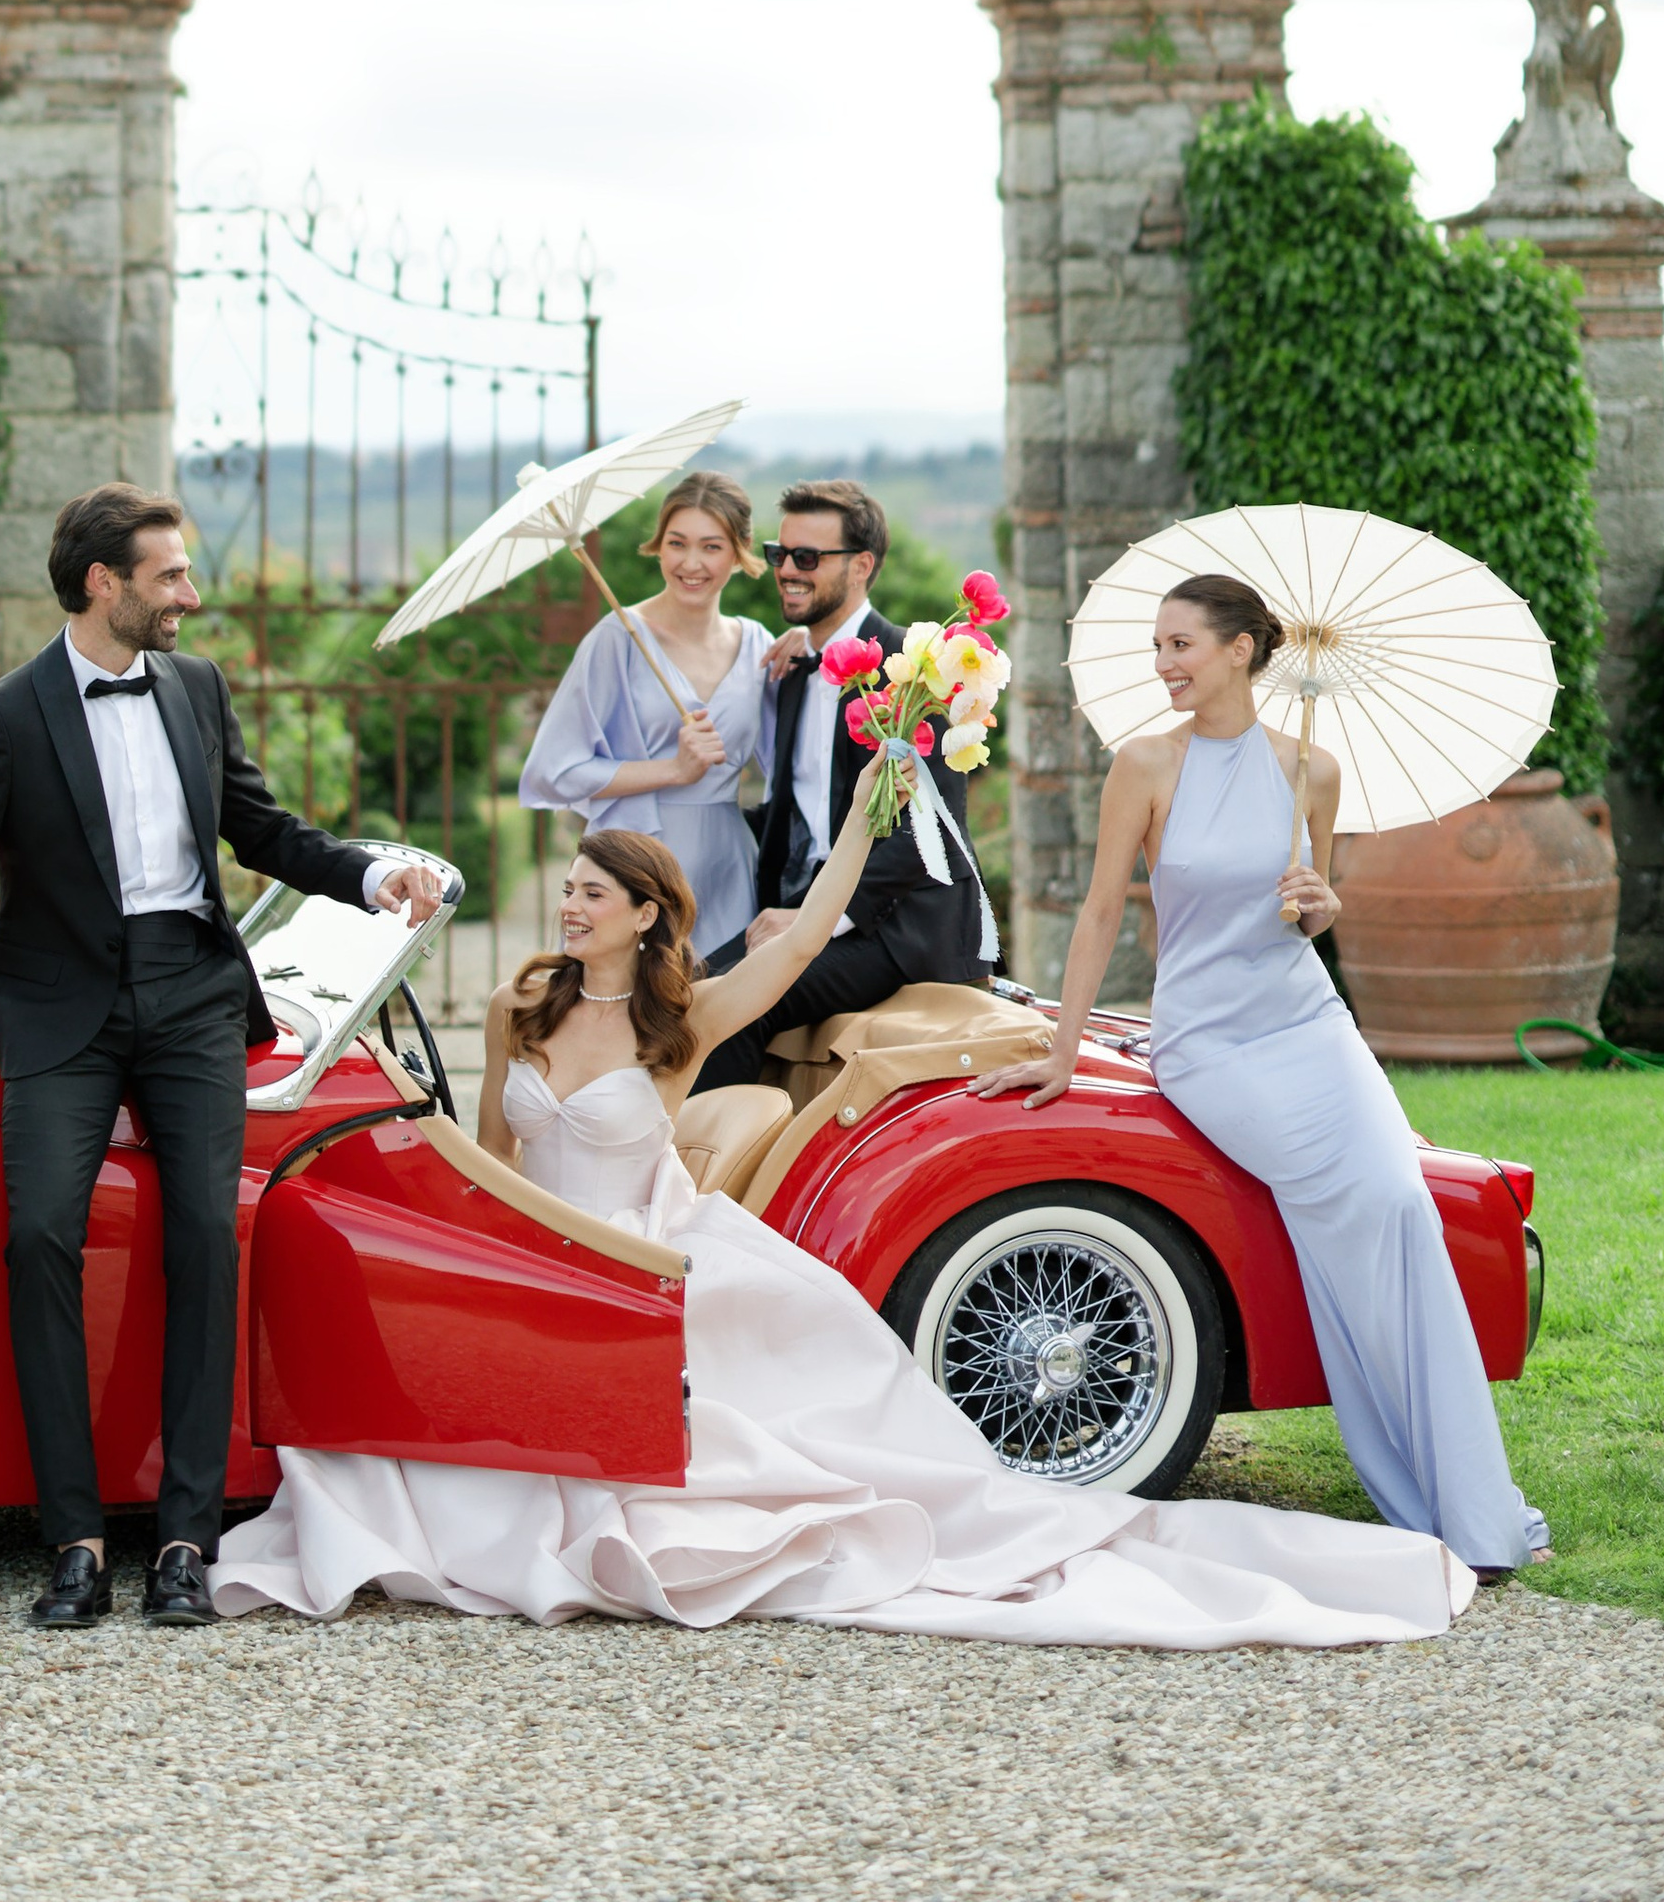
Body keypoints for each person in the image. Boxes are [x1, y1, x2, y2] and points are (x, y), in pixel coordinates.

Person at [211, 788, 1473, 1640]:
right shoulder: (522, 1008)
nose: (572, 903)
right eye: (573, 887)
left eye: (596, 891)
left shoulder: (684, 1017)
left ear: (647, 916)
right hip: (549, 1260)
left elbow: (812, 927)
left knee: (788, 1465)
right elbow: (495, 1160)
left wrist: (875, 808)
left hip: (649, 1256)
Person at [0, 484, 445, 1632]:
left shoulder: (198, 687)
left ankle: (184, 1536)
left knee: (207, 1237)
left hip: (189, 998)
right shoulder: (4, 718)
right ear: (102, 585)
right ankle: (71, 1539)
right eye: (170, 575)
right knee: (37, 1236)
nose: (192, 594)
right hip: (58, 1007)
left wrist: (374, 876)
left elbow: (265, 834)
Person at [979, 567, 1550, 1579]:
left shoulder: (1311, 771)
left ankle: (1464, 1497)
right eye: (1157, 648)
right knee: (1335, 1211)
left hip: (1308, 1025)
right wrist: (1064, 1044)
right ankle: (1402, 1465)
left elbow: (1309, 917)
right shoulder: (1143, 766)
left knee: (1399, 1207)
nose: (1163, 665)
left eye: (1179, 646)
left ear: (1240, 649)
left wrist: (1318, 902)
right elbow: (1104, 910)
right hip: (1207, 1037)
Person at [690, 478, 996, 1076]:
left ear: (861, 566)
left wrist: (814, 919)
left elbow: (925, 840)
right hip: (811, 911)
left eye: (807, 558)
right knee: (680, 991)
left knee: (730, 1011)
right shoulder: (797, 669)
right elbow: (802, 808)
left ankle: (722, 1165)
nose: (786, 571)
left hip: (896, 927)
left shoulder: (916, 671)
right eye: (780, 556)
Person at [516, 469, 778, 961]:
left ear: (740, 552)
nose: (691, 563)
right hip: (631, 872)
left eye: (712, 546)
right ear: (659, 547)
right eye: (677, 543)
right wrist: (672, 771)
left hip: (726, 870)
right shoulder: (617, 638)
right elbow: (553, 773)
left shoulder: (759, 645)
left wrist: (813, 651)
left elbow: (791, 763)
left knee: (722, 1026)